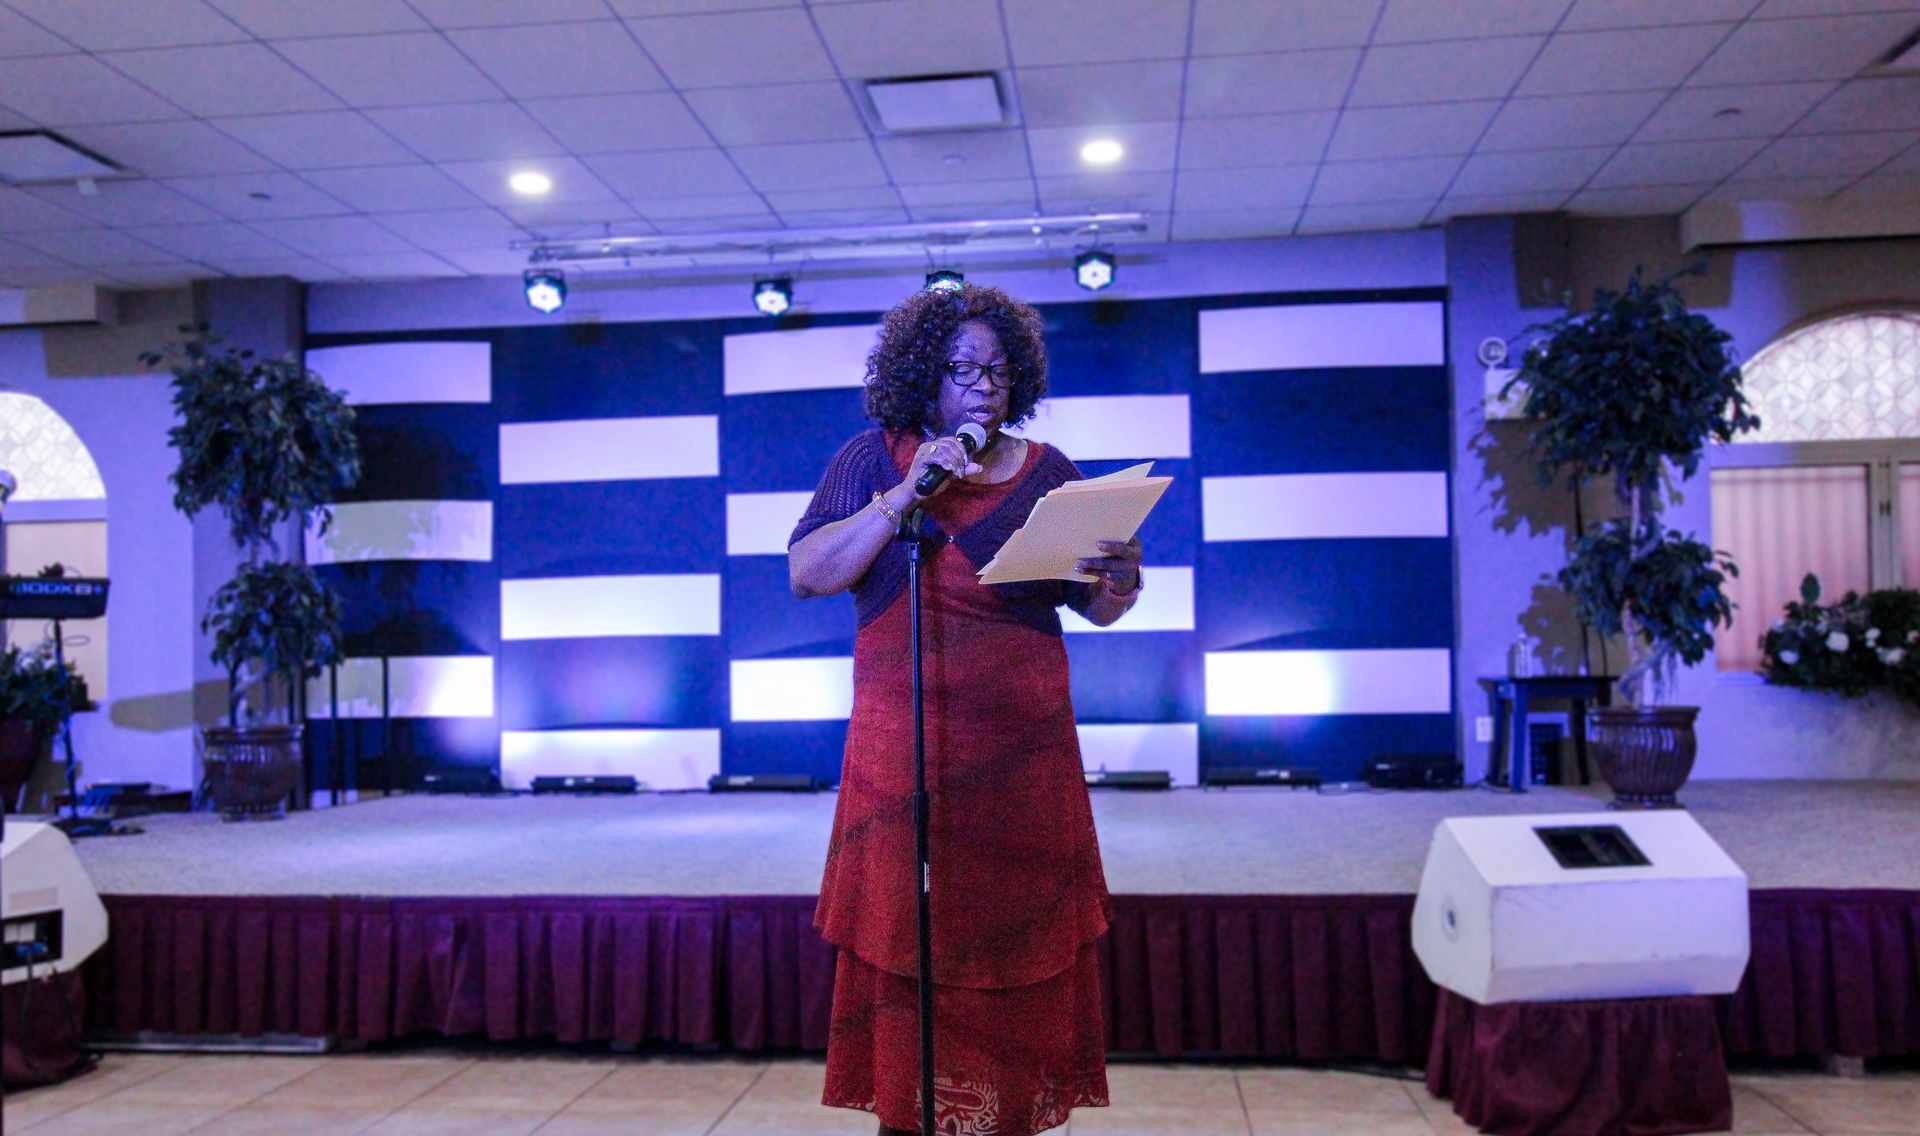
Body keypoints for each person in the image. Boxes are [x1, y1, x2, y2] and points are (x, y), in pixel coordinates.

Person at [789, 283, 1142, 1136]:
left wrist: (1120, 575)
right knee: (912, 948)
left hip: (1023, 764)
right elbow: (809, 571)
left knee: (1014, 947)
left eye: (998, 369)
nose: (984, 386)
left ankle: (1009, 1118)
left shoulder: (1050, 474)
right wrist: (907, 495)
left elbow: (1097, 607)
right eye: (962, 369)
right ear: (923, 376)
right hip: (900, 760)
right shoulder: (872, 460)